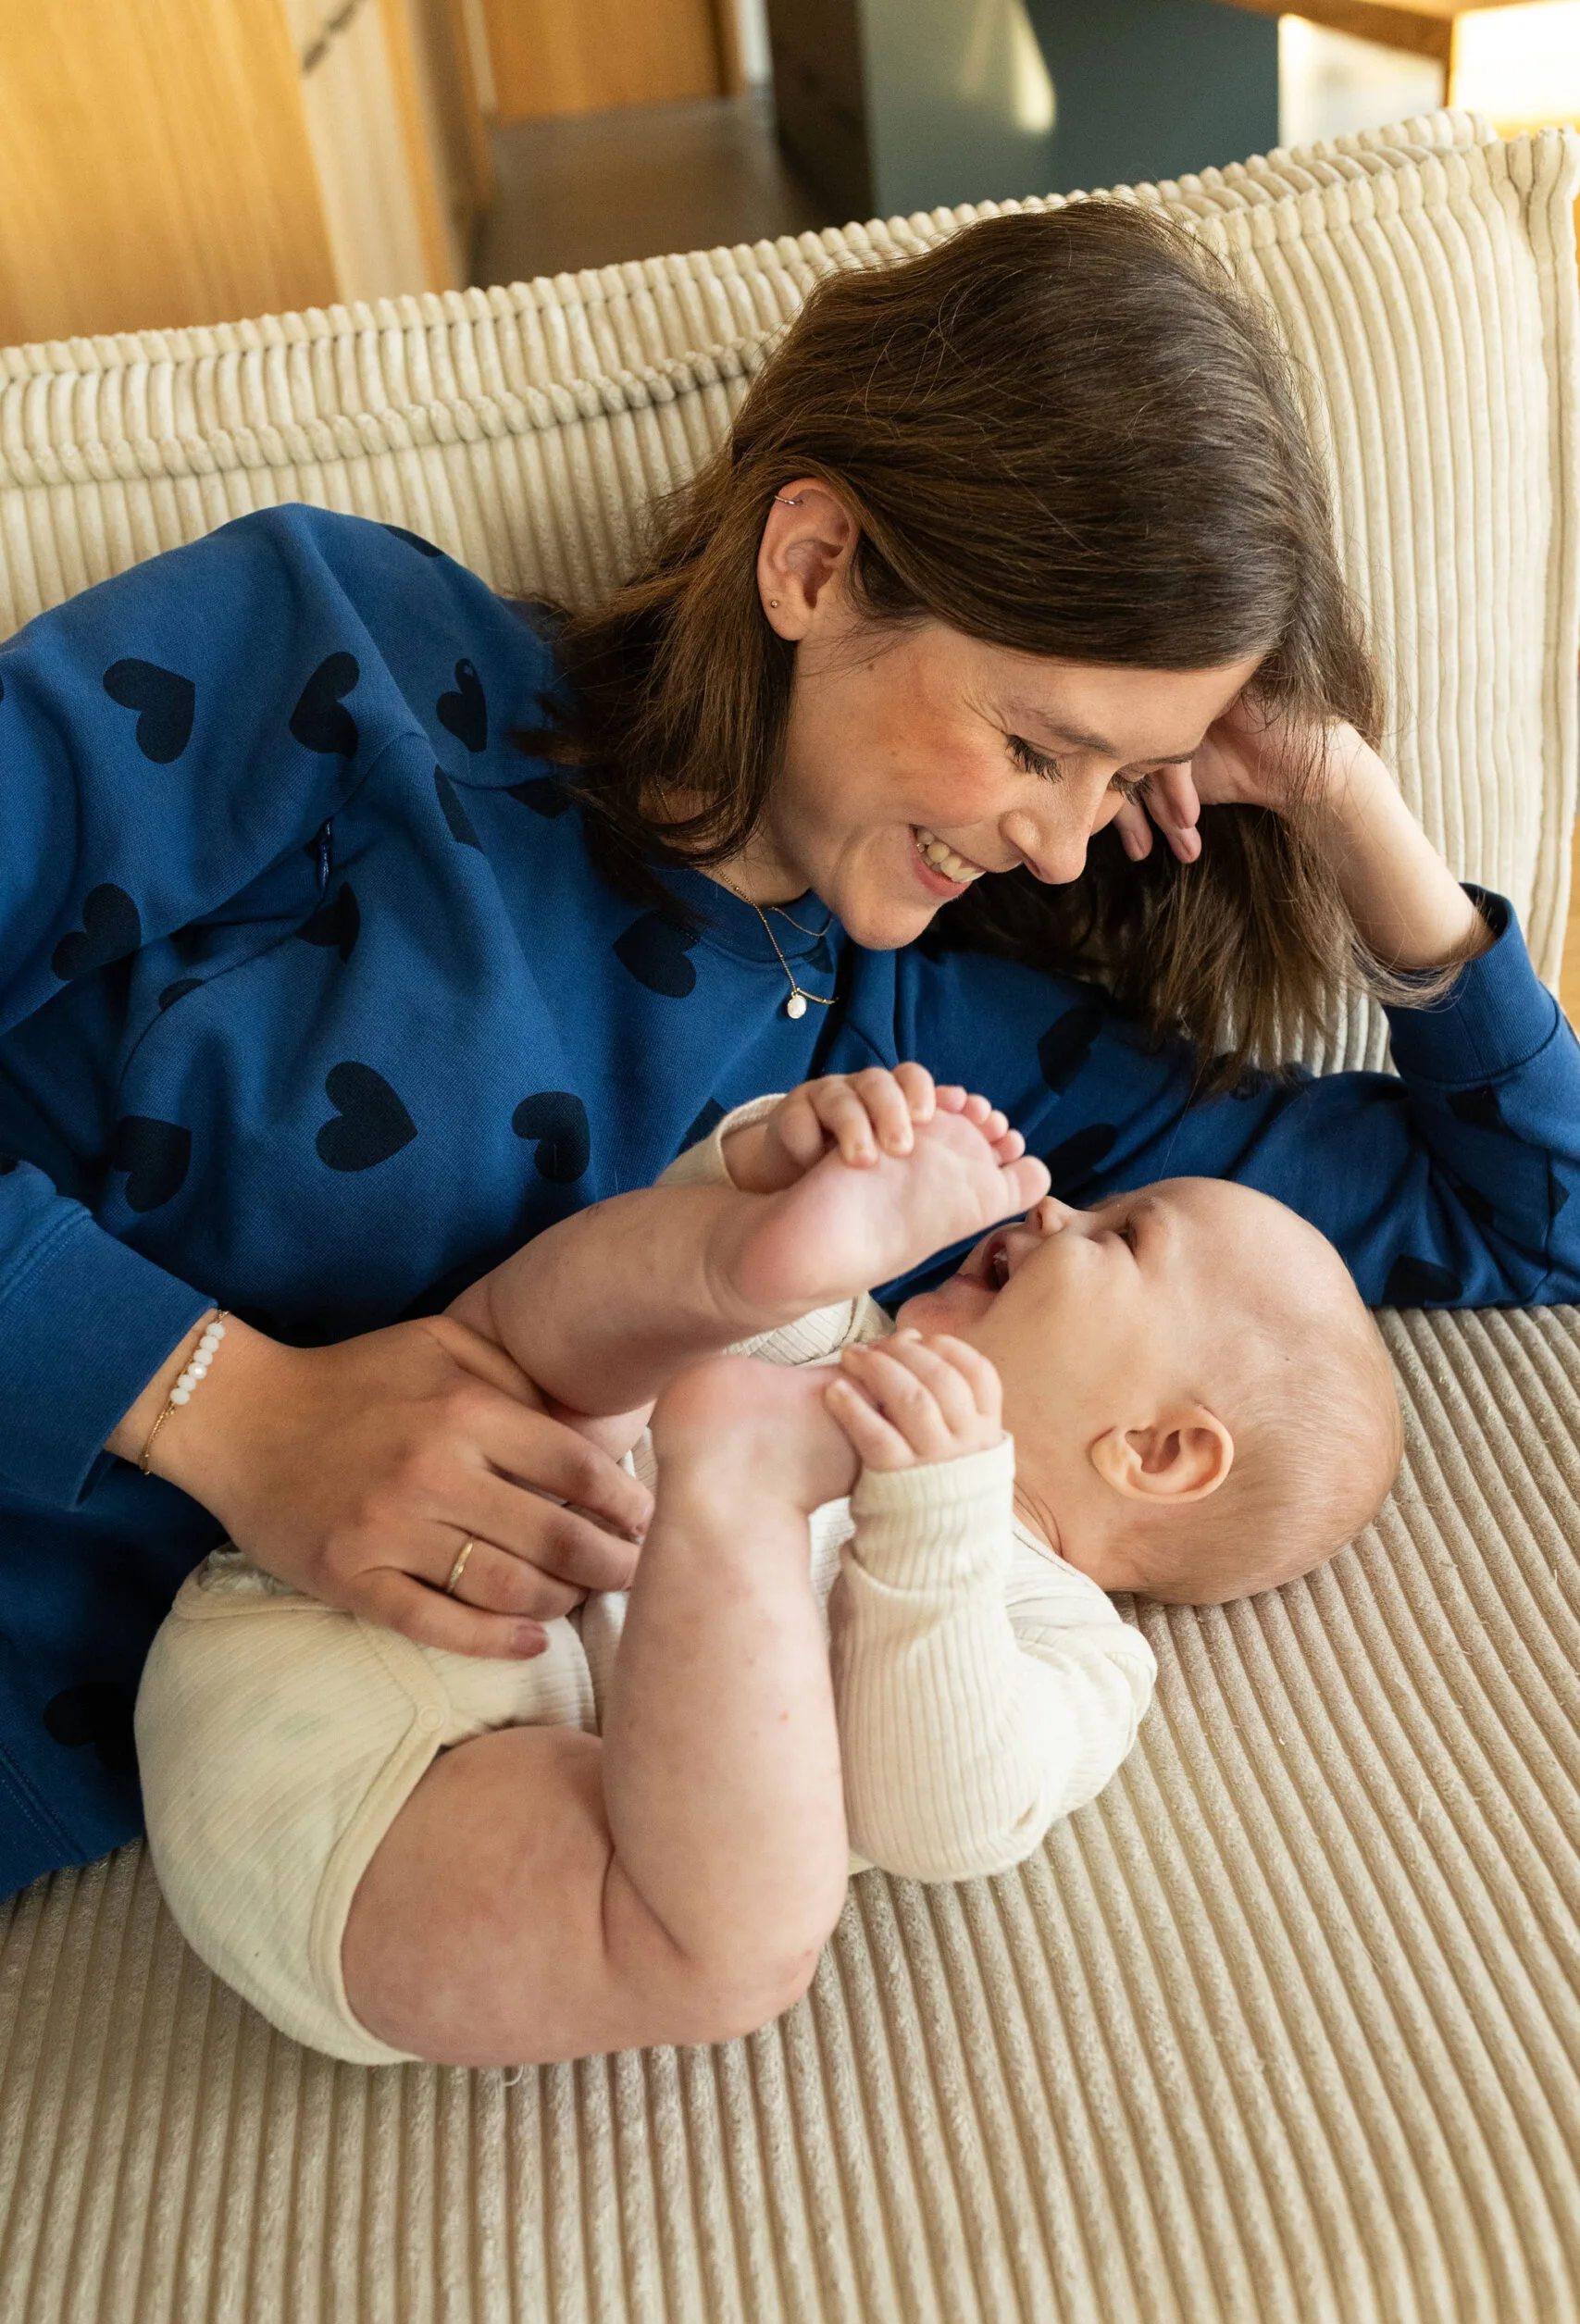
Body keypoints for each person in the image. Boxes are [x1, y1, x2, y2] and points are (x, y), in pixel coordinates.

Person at [0, 204, 1575, 1900]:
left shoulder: (936, 1076)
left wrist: (1342, 797)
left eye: (1122, 782)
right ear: (812, 566)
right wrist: (226, 1410)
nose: (1063, 846)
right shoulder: (339, 655)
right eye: (1037, 746)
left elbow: (1530, 1219)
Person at [134, 1063, 1400, 2066]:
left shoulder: (1068, 1647)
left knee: (732, 1943)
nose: (1056, 1204)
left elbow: (939, 1817)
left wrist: (940, 1510)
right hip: (363, 1542)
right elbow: (604, 1311)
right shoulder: (835, 1335)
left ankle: (731, 1490)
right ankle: (739, 1247)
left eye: (1121, 1238)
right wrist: (762, 1180)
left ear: (1162, 1454)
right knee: (553, 1364)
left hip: (395, 1821)